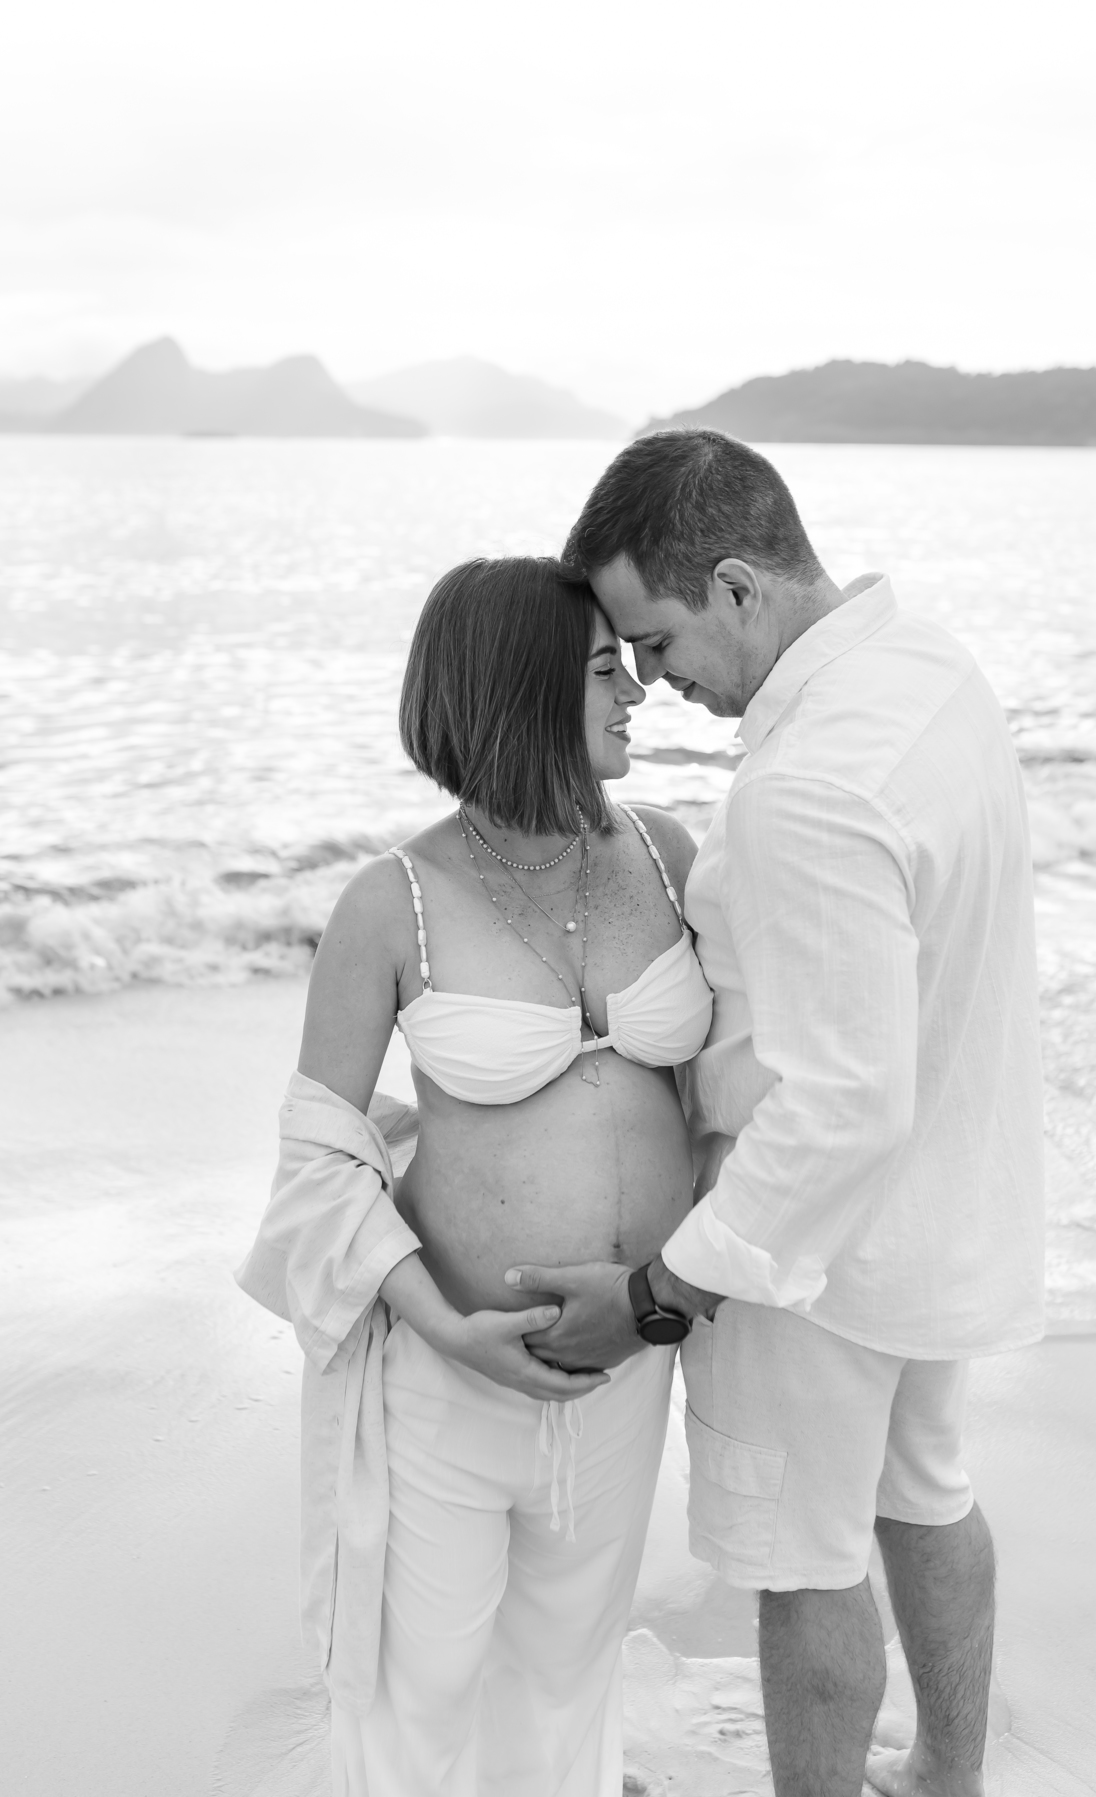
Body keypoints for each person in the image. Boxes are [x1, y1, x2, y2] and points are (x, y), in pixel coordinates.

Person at [507, 431, 1045, 1797]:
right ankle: (944, 1780)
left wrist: (663, 1291)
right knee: (927, 1491)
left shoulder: (807, 783)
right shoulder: (927, 670)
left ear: (739, 586)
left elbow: (839, 1103)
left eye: (657, 638)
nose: (652, 683)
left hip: (810, 1267)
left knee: (801, 1566)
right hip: (937, 1223)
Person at [239, 554, 713, 1797]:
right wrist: (444, 1326)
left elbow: (731, 1092)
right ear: (518, 692)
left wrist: (691, 1287)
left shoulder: (667, 855)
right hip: (449, 1378)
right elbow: (319, 1157)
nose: (638, 696)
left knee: (569, 1672)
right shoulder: (391, 904)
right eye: (607, 671)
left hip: (630, 1361)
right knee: (423, 1692)